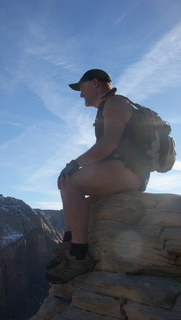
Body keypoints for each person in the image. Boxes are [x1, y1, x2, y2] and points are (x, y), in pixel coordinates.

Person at [45, 69, 151, 284]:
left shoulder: (115, 104)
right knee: (75, 192)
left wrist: (74, 164)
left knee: (71, 182)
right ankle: (68, 245)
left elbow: (108, 144)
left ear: (95, 83)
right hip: (125, 169)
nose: (81, 94)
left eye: (81, 88)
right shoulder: (111, 106)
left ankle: (78, 255)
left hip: (130, 170)